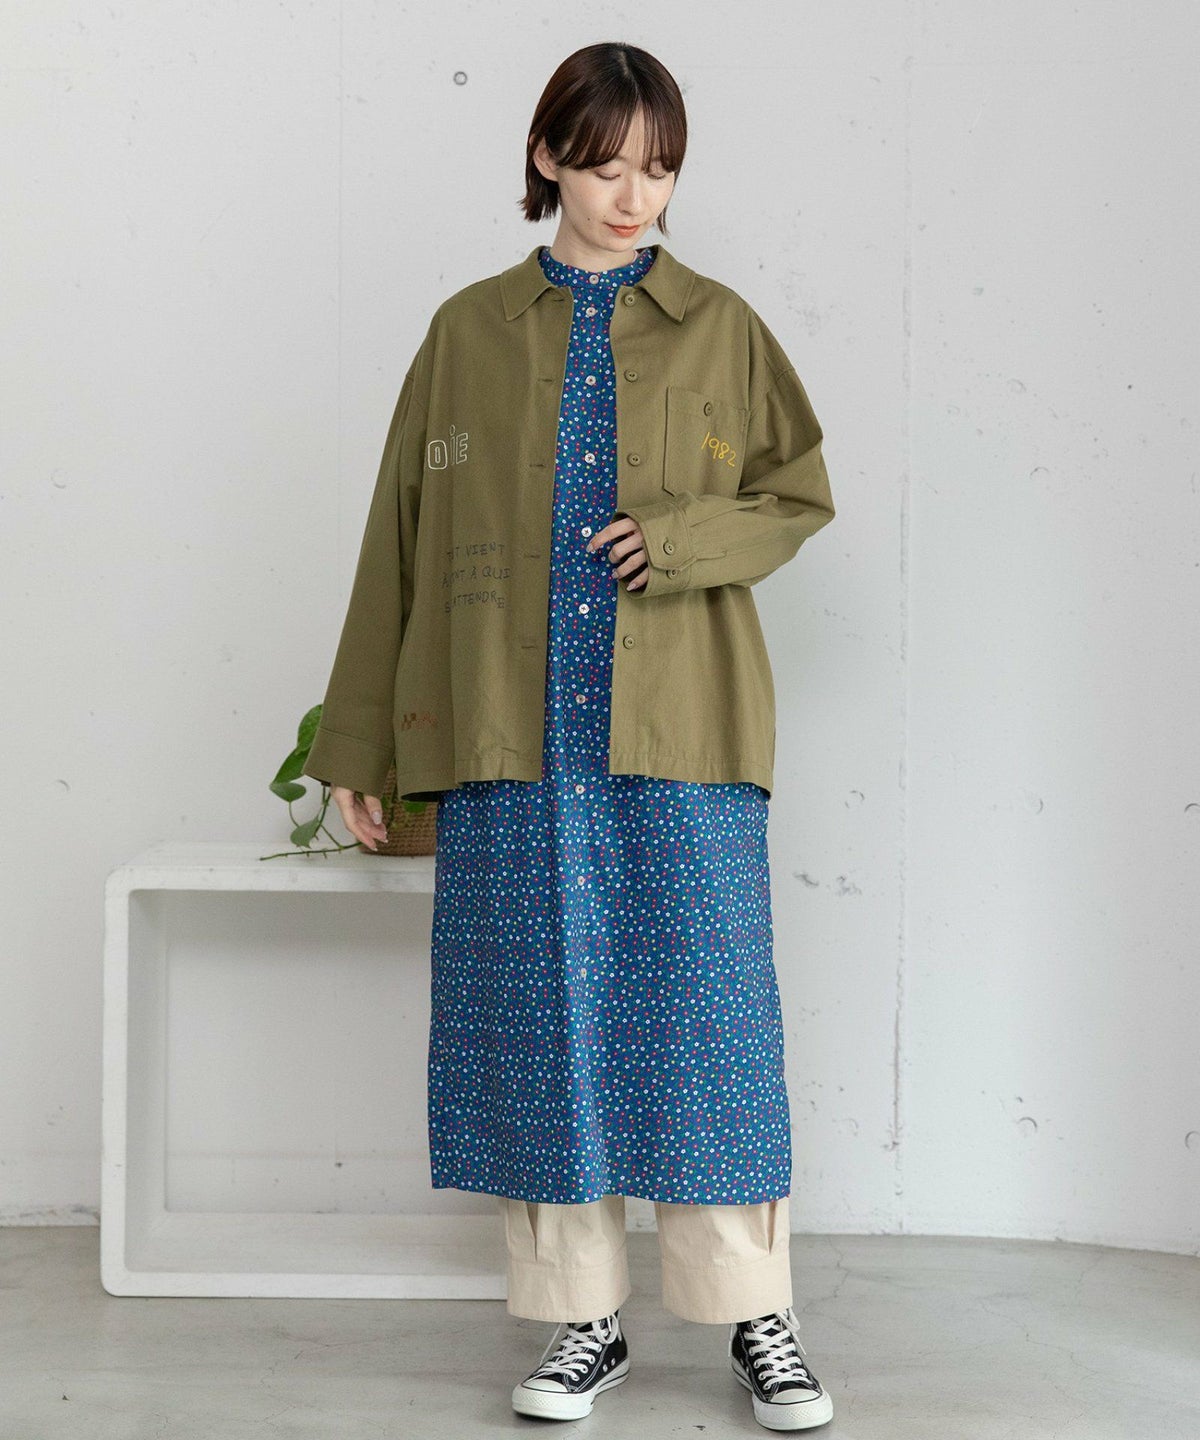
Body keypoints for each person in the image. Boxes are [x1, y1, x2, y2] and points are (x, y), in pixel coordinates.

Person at [303, 41, 836, 1433]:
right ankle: (581, 1319)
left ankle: (756, 1314)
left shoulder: (720, 326)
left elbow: (796, 495)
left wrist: (683, 539)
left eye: (659, 170)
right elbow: (396, 546)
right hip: (512, 730)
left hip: (684, 728)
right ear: (547, 157)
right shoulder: (466, 334)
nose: (633, 196)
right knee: (541, 1023)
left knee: (711, 1024)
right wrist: (357, 743)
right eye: (606, 167)